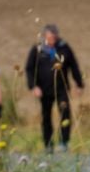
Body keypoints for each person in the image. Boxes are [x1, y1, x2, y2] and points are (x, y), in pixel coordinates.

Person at [25, 23, 85, 153]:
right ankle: (48, 144)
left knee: (65, 113)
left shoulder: (64, 47)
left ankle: (64, 142)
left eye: (55, 37)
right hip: (43, 89)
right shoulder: (38, 49)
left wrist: (79, 84)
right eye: (50, 37)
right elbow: (29, 69)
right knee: (46, 116)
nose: (53, 39)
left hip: (61, 87)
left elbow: (73, 66)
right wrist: (33, 86)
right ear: (45, 36)